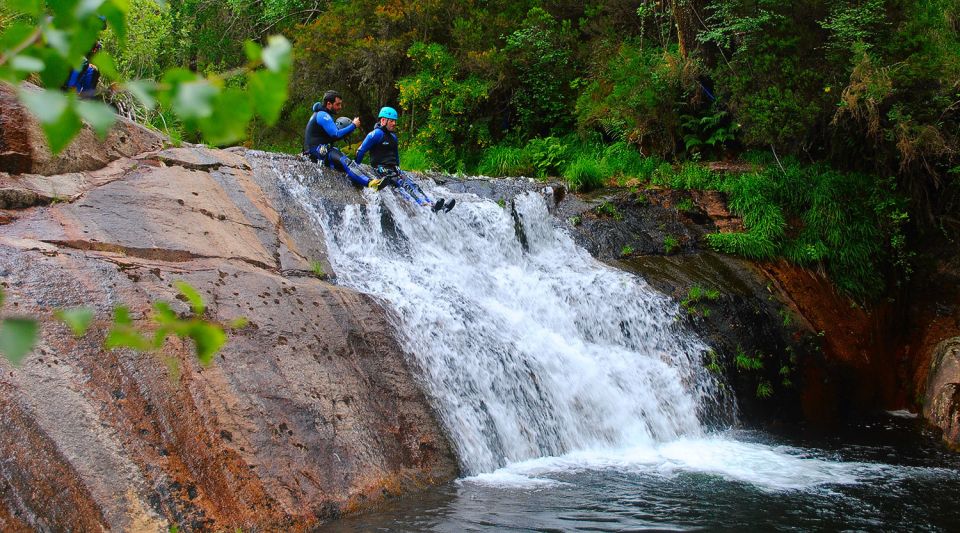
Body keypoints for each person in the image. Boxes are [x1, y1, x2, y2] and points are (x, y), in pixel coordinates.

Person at [355, 106, 454, 212]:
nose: (394, 123)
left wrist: (399, 169)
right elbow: (360, 151)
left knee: (414, 185)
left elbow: (396, 156)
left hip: (394, 169)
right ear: (383, 120)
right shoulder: (375, 134)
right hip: (381, 169)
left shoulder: (393, 137)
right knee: (403, 185)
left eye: (395, 121)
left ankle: (433, 203)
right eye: (392, 121)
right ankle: (425, 205)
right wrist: (357, 167)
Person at [303, 90, 381, 188]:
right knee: (345, 162)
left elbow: (330, 137)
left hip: (318, 150)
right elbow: (335, 135)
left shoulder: (323, 114)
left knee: (343, 162)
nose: (340, 107)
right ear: (329, 104)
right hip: (316, 151)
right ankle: (369, 183)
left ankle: (360, 183)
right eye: (338, 104)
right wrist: (353, 125)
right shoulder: (323, 115)